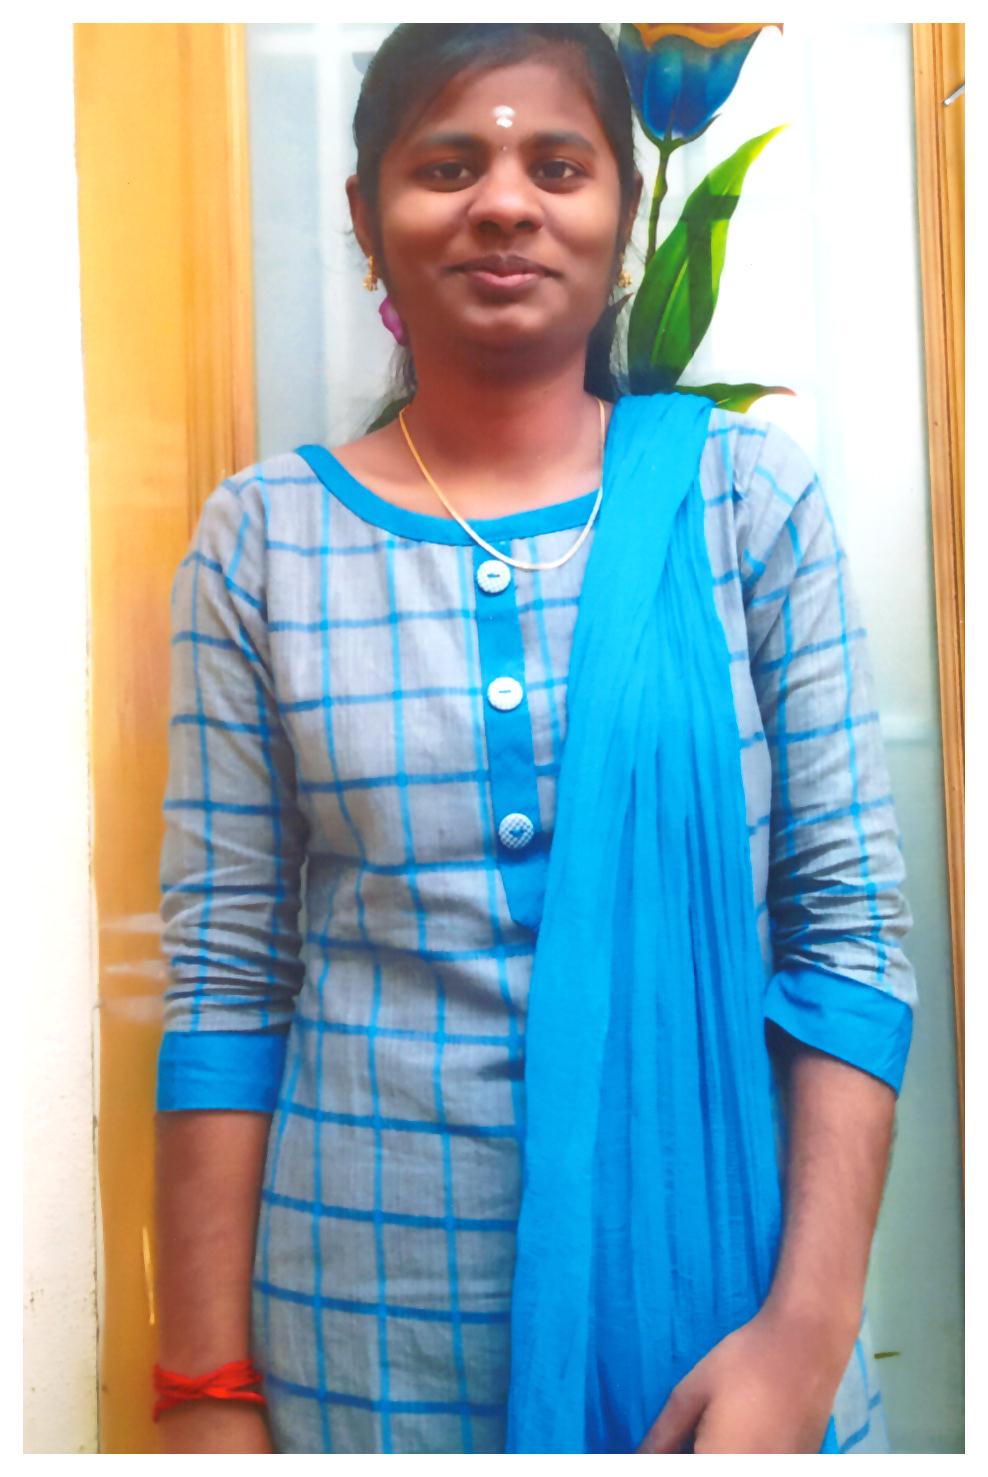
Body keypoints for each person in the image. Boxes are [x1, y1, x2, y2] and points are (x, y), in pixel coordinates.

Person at [153, 22, 916, 1455]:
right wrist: (202, 1391)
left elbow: (851, 938)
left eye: (558, 166)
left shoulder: (745, 504)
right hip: (363, 1346)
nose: (504, 201)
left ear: (622, 217)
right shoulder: (262, 540)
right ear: (367, 216)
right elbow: (225, 980)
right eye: (449, 166)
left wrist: (806, 1339)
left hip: (725, 1334)